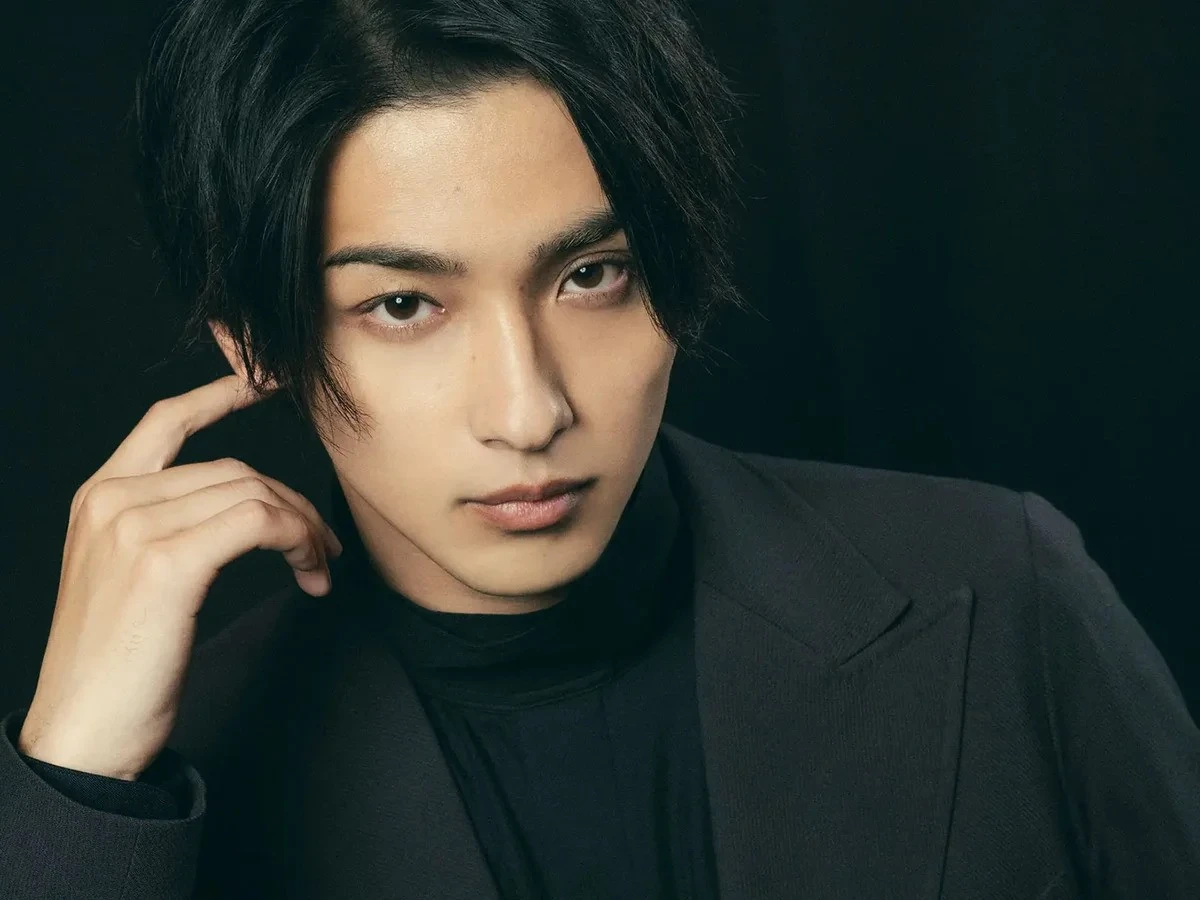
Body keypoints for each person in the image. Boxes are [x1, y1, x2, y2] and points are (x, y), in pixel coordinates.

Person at [1, 0, 1198, 897]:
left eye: (591, 275)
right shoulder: (176, 779)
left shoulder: (1000, 589)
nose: (529, 413)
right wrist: (73, 785)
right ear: (256, 341)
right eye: (404, 305)